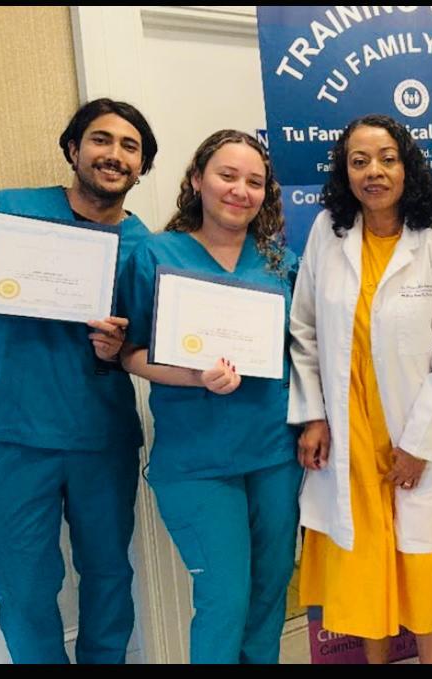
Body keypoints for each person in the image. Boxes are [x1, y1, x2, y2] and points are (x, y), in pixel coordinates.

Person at [0, 98, 157, 663]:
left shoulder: (147, 248)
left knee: (109, 575)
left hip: (101, 435)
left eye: (130, 146)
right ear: (73, 149)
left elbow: (148, 348)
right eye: (101, 140)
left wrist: (120, 347)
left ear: (142, 166)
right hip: (13, 429)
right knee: (22, 582)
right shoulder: (9, 211)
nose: (114, 154)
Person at [288, 113, 432, 664]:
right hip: (348, 431)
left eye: (387, 159)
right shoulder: (328, 233)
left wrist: (420, 444)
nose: (374, 171)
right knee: (365, 560)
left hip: (412, 429)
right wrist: (313, 415)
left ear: (406, 166)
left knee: (422, 555)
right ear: (344, 172)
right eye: (359, 161)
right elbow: (304, 328)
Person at [118, 130, 302, 663]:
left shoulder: (279, 263)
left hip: (274, 454)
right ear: (197, 179)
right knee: (225, 599)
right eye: (227, 175)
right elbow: (130, 353)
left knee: (269, 595)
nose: (241, 190)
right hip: (198, 463)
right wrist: (197, 377)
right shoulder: (156, 255)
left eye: (255, 182)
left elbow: (301, 352)